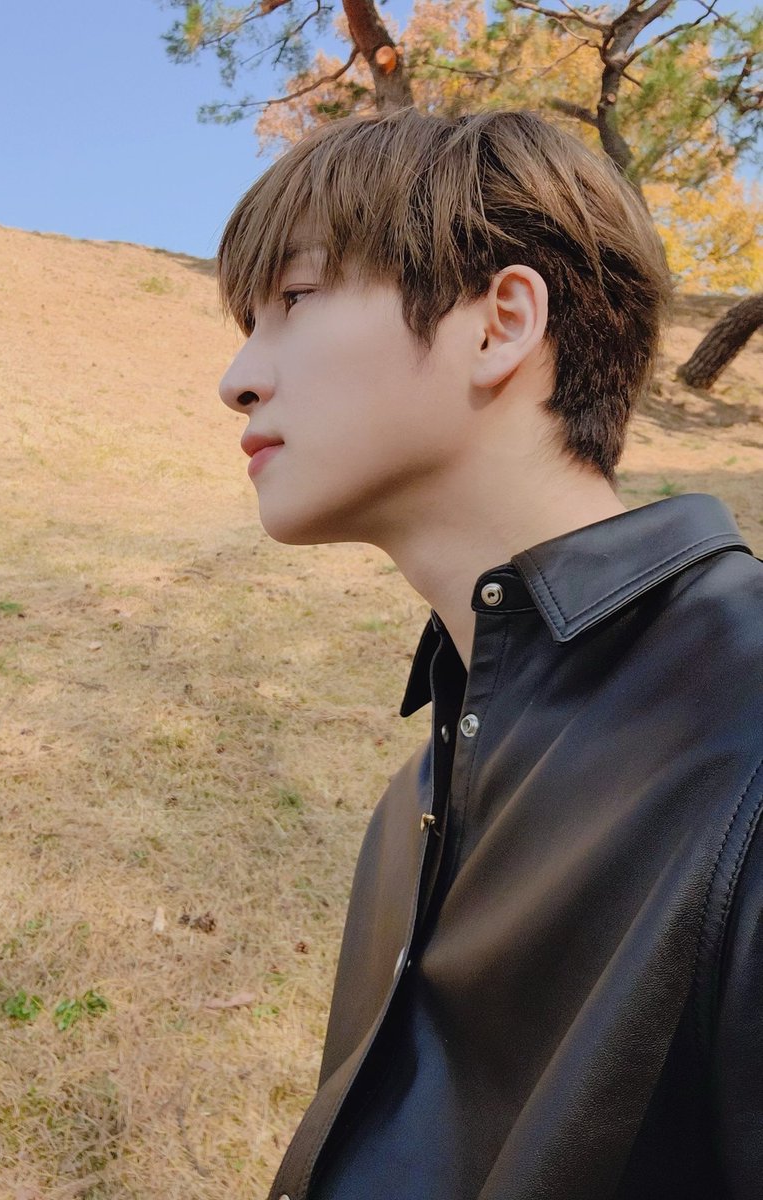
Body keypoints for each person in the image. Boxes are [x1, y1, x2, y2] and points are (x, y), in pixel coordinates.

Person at [216, 108, 763, 1200]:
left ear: (501, 323)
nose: (236, 376)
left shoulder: (743, 723)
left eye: (297, 299)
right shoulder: (415, 803)